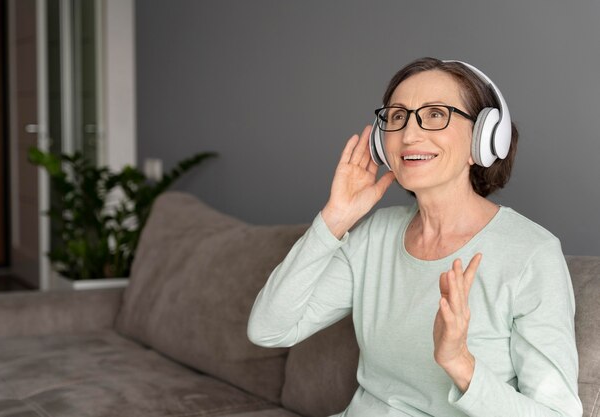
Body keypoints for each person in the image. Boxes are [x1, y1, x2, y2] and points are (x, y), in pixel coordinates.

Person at [247, 57, 582, 417]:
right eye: (397, 117)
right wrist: (334, 220)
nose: (409, 134)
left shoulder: (531, 254)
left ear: (484, 138)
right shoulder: (377, 233)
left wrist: (460, 363)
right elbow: (268, 330)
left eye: (436, 114)